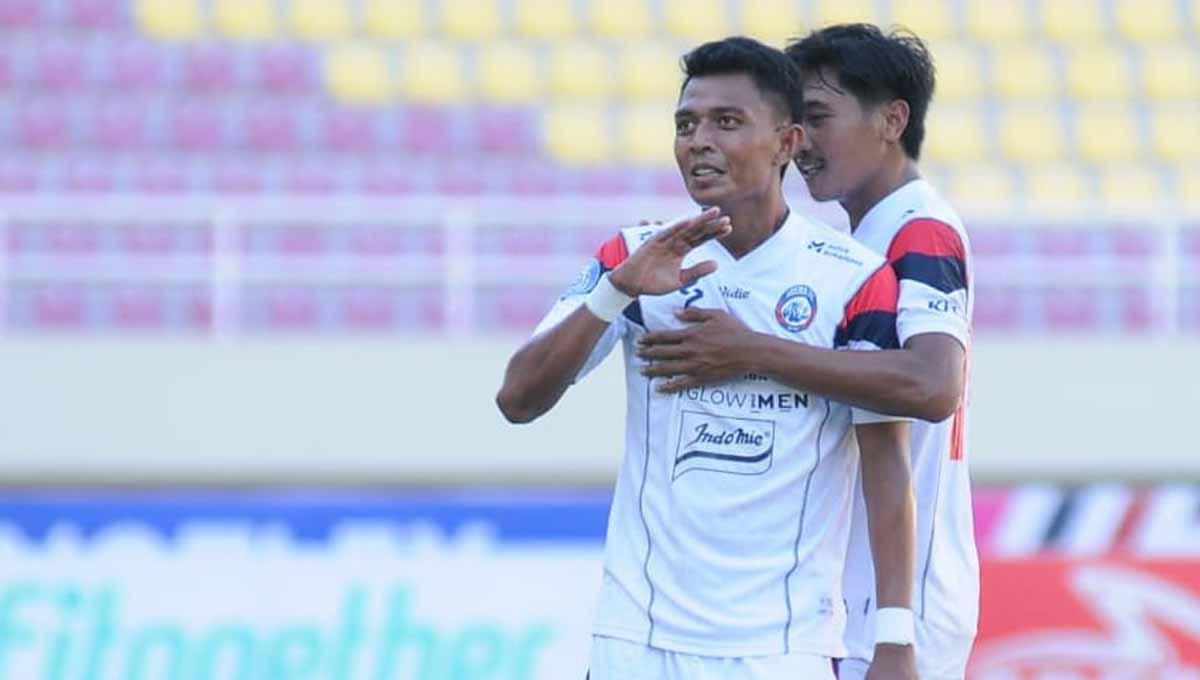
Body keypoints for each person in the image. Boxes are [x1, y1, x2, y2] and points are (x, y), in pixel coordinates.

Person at [497, 36, 917, 680]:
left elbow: (885, 460)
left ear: (788, 142)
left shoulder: (851, 279)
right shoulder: (635, 256)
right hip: (636, 640)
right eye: (685, 124)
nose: (699, 141)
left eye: (727, 122)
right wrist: (617, 292)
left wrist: (894, 638)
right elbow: (518, 399)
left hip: (780, 649)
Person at [635, 24, 978, 680]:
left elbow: (934, 385)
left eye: (818, 117)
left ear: (891, 120)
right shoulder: (857, 240)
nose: (805, 143)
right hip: (845, 597)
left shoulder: (920, 230)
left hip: (897, 606)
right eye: (797, 121)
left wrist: (753, 352)